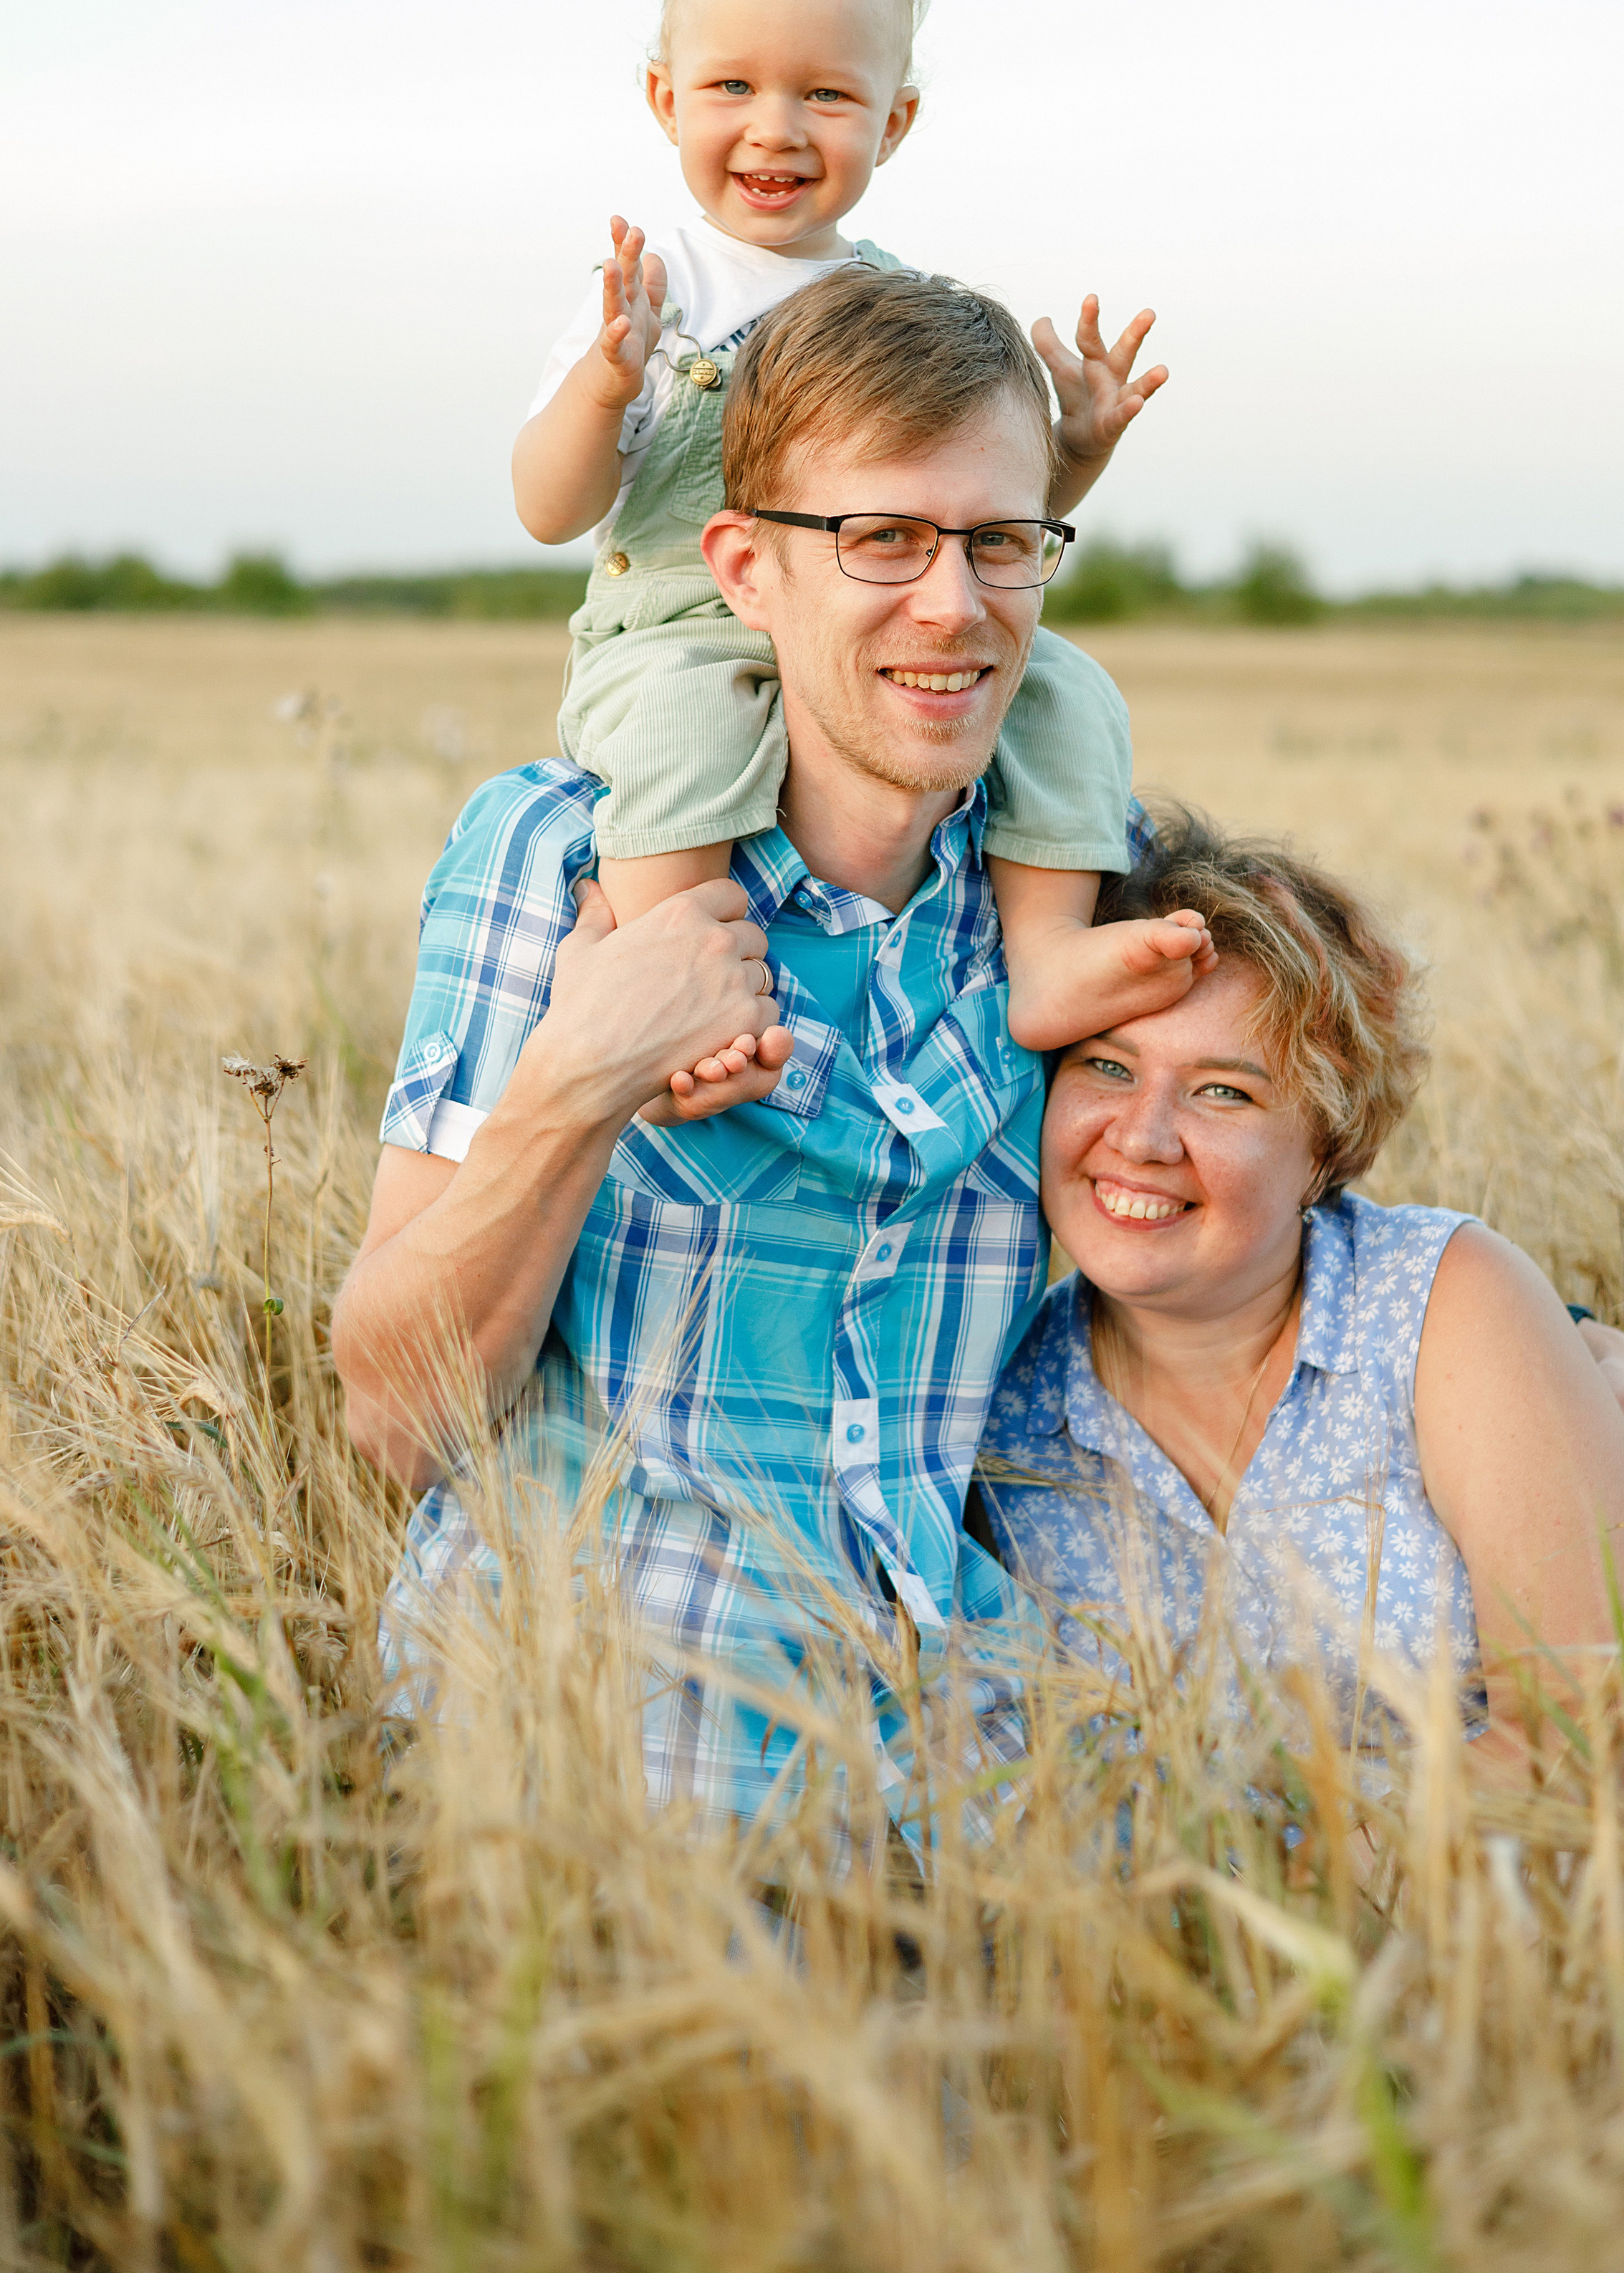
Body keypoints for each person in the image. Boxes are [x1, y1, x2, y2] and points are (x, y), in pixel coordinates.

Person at [332, 267, 1214, 1831]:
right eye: (880, 537)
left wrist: (1560, 1337)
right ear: (742, 568)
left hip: (972, 1750)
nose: (953, 604)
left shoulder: (1073, 893)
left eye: (998, 541)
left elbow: (1255, 1220)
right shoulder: (553, 858)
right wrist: (580, 1076)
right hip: (594, 1739)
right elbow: (398, 1422)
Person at [509, 0, 1181, 1064]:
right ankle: (668, 990)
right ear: (665, 98)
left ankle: (1047, 952)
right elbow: (547, 510)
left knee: (1067, 688)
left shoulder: (894, 304)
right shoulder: (648, 296)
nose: (775, 126)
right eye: (732, 85)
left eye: (825, 92)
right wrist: (609, 384)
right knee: (682, 727)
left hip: (873, 627)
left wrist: (1072, 451)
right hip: (678, 629)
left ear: (896, 120)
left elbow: (966, 525)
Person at [974, 809, 1624, 1781]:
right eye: (1106, 1067)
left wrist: (1294, 1898)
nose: (1144, 1136)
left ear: (1327, 1145)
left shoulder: (1440, 1307)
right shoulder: (992, 1409)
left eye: (1224, 1093)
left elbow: (1602, 1743)